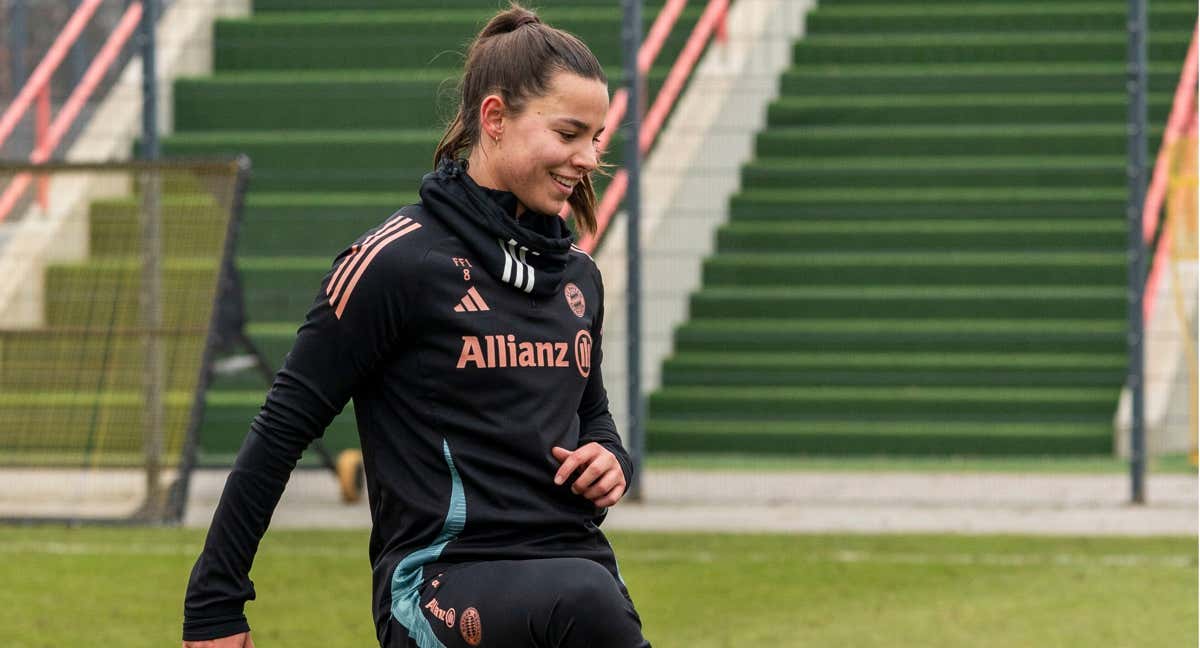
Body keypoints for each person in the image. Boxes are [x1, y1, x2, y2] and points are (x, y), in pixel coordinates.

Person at [182, 4, 650, 647]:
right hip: (438, 585)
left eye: (597, 138)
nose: (587, 158)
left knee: (589, 596)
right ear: (494, 119)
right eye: (569, 133)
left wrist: (611, 458)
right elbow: (281, 430)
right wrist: (214, 605)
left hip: (574, 571)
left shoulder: (578, 277)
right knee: (588, 603)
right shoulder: (397, 263)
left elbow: (591, 414)